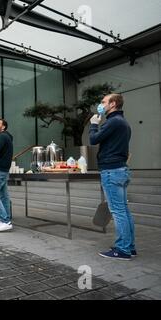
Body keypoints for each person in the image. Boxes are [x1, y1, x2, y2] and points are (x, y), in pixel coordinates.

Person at [90, 93, 135, 261]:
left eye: (103, 102)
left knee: (117, 211)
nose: (101, 105)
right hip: (121, 170)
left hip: (112, 171)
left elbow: (94, 139)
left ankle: (123, 249)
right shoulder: (123, 122)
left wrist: (94, 125)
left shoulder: (113, 122)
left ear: (113, 104)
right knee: (123, 210)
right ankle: (129, 246)